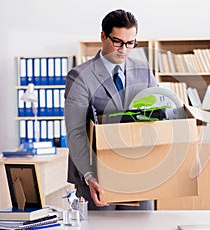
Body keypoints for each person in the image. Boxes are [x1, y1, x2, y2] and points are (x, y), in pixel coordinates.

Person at [64, 9, 157, 210]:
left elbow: (163, 117)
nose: (123, 49)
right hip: (97, 178)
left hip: (138, 172)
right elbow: (76, 132)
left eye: (130, 43)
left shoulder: (143, 71)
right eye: (117, 41)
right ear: (103, 36)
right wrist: (88, 175)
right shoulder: (79, 76)